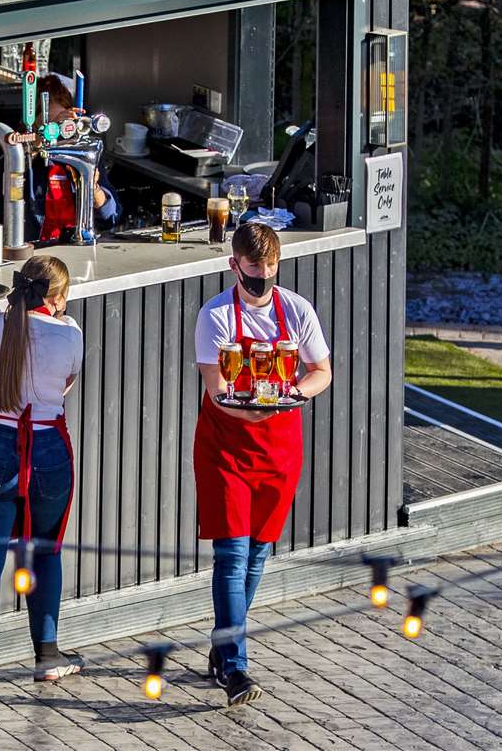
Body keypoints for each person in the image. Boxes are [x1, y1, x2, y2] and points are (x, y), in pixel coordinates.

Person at [192, 223, 333, 706]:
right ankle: (235, 666)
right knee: (231, 554)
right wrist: (256, 405)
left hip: (279, 446)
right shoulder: (214, 316)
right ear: (235, 266)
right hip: (225, 445)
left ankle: (223, 642)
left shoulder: (296, 311)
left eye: (271, 265)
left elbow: (321, 372)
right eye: (255, 267)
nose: (265, 275)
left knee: (257, 554)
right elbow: (217, 391)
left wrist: (294, 394)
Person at [0, 255, 84, 701]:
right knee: (45, 552)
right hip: (47, 449)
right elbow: (63, 386)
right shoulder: (71, 333)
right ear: (58, 298)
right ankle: (47, 657)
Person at [0, 74, 120, 244]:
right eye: (52, 124)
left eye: (63, 124)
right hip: (35, 250)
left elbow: (111, 217)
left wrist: (93, 189)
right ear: (33, 122)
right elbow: (1, 170)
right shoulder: (21, 158)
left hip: (76, 246)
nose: (57, 132)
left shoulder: (81, 155)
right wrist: (37, 143)